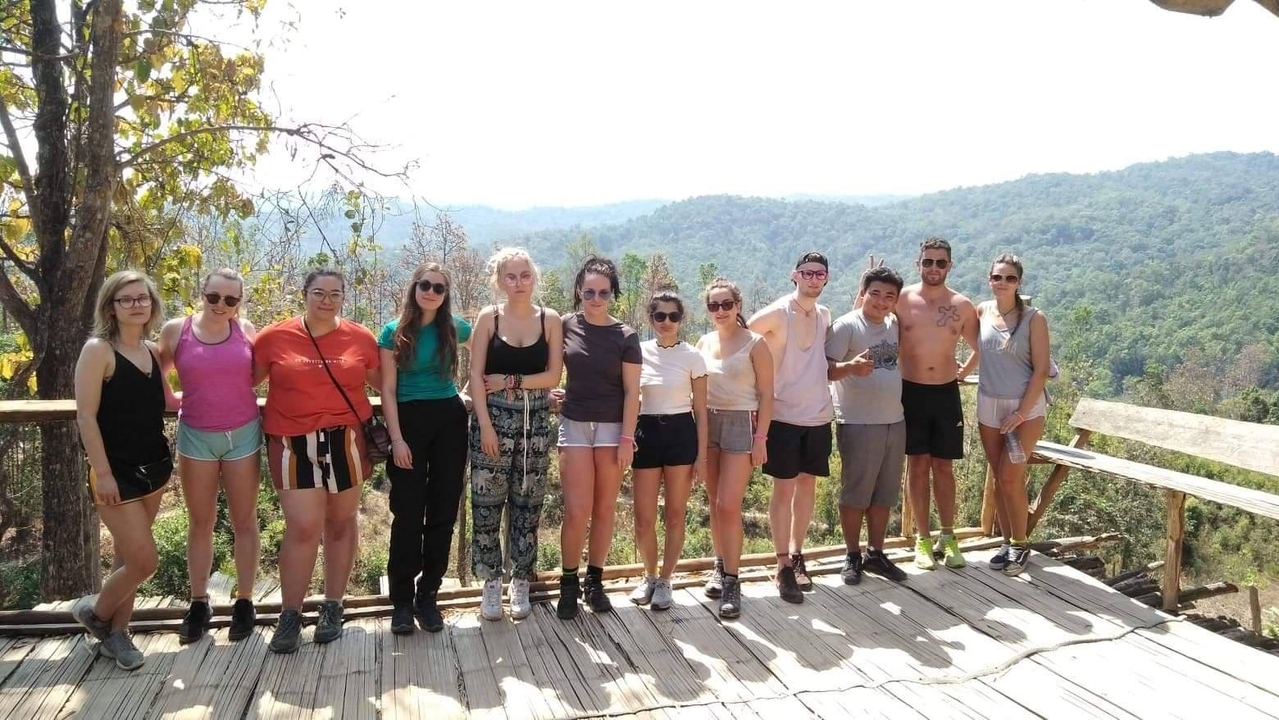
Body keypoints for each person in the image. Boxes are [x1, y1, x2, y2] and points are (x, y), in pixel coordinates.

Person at [253, 268, 381, 653]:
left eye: (335, 294)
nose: (327, 300)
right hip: (292, 442)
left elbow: (386, 384)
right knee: (303, 527)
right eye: (319, 293)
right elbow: (244, 382)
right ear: (304, 294)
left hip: (346, 439)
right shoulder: (273, 337)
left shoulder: (360, 337)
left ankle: (333, 605)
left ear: (344, 297)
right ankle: (290, 614)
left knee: (341, 522)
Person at [73, 270, 179, 670]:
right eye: (127, 299)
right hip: (115, 473)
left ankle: (117, 636)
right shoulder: (98, 351)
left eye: (143, 298)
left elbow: (167, 401)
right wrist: (102, 473)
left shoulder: (152, 351)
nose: (137, 305)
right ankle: (95, 614)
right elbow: (86, 416)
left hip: (155, 468)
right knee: (144, 562)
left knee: (127, 559)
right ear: (111, 307)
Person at [158, 269, 261, 644]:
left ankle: (244, 601)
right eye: (213, 296)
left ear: (239, 302)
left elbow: (256, 375)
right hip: (196, 436)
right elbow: (157, 370)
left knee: (244, 520)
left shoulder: (246, 331)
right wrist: (172, 400)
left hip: (243, 434)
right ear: (201, 294)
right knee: (200, 522)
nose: (221, 305)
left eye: (230, 299)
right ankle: (199, 602)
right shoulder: (176, 331)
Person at [470, 248, 563, 622]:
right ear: (499, 281)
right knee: (487, 504)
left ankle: (521, 579)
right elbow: (476, 376)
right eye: (510, 276)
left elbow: (553, 375)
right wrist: (485, 426)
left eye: (525, 275)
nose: (519, 282)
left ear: (534, 277)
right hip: (492, 421)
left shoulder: (549, 319)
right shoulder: (489, 318)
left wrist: (509, 381)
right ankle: (491, 582)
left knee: (528, 504)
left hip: (535, 423)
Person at [381, 263, 472, 634]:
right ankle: (402, 601)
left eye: (439, 287)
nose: (431, 292)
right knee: (407, 511)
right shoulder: (394, 331)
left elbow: (488, 351)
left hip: (449, 418)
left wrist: (469, 391)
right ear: (414, 287)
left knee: (443, 510)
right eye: (425, 285)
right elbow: (387, 390)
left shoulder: (455, 327)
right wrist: (397, 439)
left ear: (446, 294)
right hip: (408, 421)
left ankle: (428, 595)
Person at [556, 255, 641, 619]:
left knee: (604, 508)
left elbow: (632, 392)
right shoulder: (564, 325)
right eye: (589, 291)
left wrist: (627, 438)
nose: (595, 298)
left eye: (603, 293)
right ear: (579, 290)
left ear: (612, 294)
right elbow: (548, 367)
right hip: (574, 423)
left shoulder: (625, 336)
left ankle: (595, 581)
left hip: (612, 428)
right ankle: (568, 583)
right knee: (577, 510)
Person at [748, 251, 834, 604]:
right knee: (783, 491)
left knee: (807, 486)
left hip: (818, 414)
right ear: (794, 275)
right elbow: (741, 339)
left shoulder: (824, 314)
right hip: (782, 414)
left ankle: (798, 554)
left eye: (820, 274)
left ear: (826, 278)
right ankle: (782, 563)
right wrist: (754, 393)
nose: (813, 279)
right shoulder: (777, 313)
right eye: (807, 273)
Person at [897, 237, 980, 570]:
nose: (934, 268)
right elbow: (870, 325)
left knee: (944, 468)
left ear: (950, 266)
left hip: (946, 392)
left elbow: (982, 345)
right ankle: (922, 539)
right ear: (918, 264)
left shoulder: (961, 305)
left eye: (940, 262)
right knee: (917, 466)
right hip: (910, 391)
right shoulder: (901, 300)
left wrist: (964, 372)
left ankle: (948, 536)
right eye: (928, 261)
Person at [826, 266, 909, 585]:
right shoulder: (846, 326)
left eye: (889, 296)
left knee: (884, 493)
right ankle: (852, 555)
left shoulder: (893, 324)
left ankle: (876, 553)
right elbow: (825, 368)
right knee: (856, 492)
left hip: (894, 421)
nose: (881, 301)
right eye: (875, 293)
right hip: (858, 422)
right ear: (863, 293)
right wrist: (849, 367)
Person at [696, 278, 773, 618]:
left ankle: (732, 580)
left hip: (742, 422)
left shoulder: (755, 344)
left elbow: (768, 395)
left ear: (738, 306)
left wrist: (761, 438)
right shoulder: (704, 342)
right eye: (714, 305)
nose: (721, 310)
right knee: (715, 504)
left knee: (729, 504)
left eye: (727, 304)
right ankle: (719, 563)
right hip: (707, 422)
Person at [629, 290, 708, 611]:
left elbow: (701, 410)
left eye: (673, 316)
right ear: (651, 319)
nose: (666, 322)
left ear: (681, 319)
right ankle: (649, 575)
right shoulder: (637, 351)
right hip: (646, 432)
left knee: (675, 514)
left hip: (681, 433)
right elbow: (627, 396)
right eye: (660, 316)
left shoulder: (693, 357)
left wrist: (702, 457)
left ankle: (665, 580)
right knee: (643, 518)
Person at [976, 253, 1051, 577]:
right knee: (998, 475)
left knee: (1011, 476)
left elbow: (1042, 370)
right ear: (989, 280)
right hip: (989, 405)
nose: (1003, 283)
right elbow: (982, 349)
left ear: (1019, 282)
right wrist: (960, 371)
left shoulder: (1034, 318)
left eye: (1010, 278)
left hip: (1026, 409)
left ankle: (1020, 544)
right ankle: (1007, 542)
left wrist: (1020, 413)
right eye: (997, 277)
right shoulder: (982, 311)